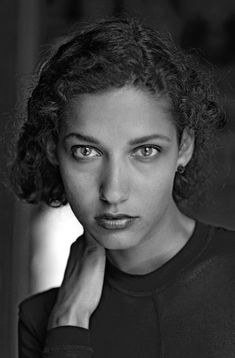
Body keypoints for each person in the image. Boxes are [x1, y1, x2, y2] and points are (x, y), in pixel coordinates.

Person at [10, 16, 235, 358]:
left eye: (145, 151)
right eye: (86, 151)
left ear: (183, 148)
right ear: (53, 151)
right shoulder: (41, 319)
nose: (113, 192)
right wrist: (68, 325)